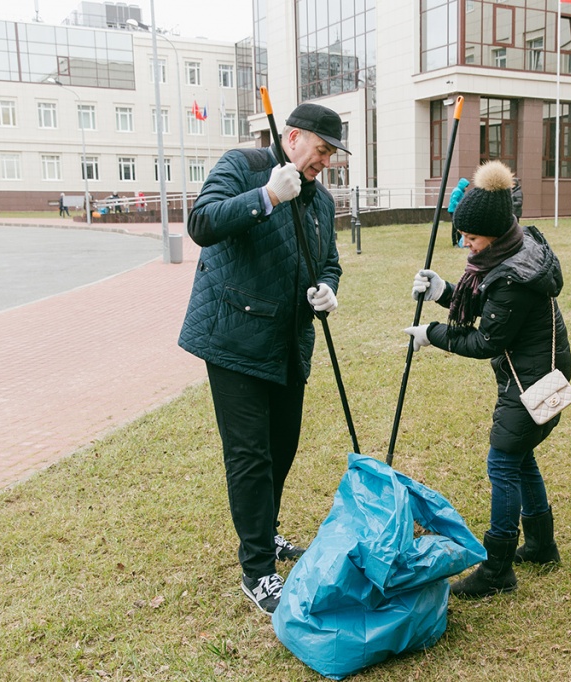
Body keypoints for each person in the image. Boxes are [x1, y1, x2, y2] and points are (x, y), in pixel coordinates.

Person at [178, 102, 349, 616]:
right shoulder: (241, 166)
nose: (324, 162)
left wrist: (327, 288)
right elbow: (201, 222)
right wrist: (266, 196)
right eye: (320, 151)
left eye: (330, 155)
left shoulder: (320, 200)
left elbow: (330, 261)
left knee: (283, 444)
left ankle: (264, 532)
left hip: (287, 340)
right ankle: (257, 570)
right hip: (234, 337)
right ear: (292, 137)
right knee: (250, 455)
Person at [403, 160, 571, 599]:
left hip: (533, 381)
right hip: (545, 372)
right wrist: (442, 291)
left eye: (472, 238)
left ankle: (497, 570)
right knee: (520, 457)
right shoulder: (514, 253)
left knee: (502, 463)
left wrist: (431, 334)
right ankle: (540, 545)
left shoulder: (513, 275)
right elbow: (491, 307)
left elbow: (486, 340)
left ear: (494, 235)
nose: (466, 245)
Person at [448, 177, 469, 247]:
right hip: (453, 210)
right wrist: (460, 205)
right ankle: (455, 243)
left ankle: (459, 241)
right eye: (466, 186)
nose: (466, 188)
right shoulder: (458, 191)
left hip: (456, 210)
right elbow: (453, 200)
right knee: (455, 227)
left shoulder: (460, 191)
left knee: (458, 226)